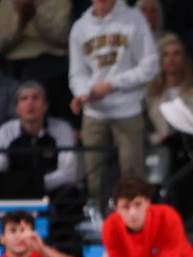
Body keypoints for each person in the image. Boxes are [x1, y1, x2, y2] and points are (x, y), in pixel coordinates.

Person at [68, 0, 159, 210]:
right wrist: (82, 94)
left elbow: (150, 65)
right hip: (94, 112)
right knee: (93, 175)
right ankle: (97, 225)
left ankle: (137, 224)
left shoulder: (133, 19)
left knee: (133, 175)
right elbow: (77, 73)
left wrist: (112, 84)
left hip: (128, 108)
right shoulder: (80, 27)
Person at [0, 80, 79, 195]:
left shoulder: (62, 129)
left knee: (71, 193)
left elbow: (69, 174)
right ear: (17, 108)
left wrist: (35, 184)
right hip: (15, 193)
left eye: (35, 98)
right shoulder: (5, 131)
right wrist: (22, 185)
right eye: (24, 98)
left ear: (45, 106)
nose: (30, 103)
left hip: (52, 191)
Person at [0, 0, 72, 120]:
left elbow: (63, 38)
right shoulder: (5, 4)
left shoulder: (60, 2)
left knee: (30, 81)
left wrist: (35, 16)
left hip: (49, 61)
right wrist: (20, 22)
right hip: (10, 63)